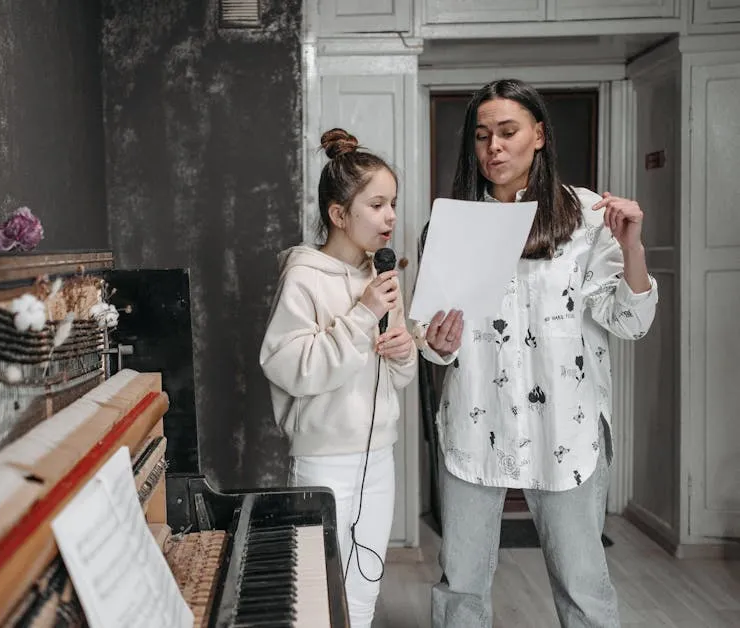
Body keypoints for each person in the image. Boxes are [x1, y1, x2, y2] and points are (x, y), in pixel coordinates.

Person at [415, 79, 658, 627]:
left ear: (540, 135)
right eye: (482, 136)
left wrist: (632, 245)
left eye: (507, 132)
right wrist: (438, 345)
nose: (493, 148)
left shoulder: (589, 216)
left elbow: (631, 320)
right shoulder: (449, 226)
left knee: (583, 585)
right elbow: (431, 343)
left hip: (565, 426)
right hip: (477, 420)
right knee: (461, 586)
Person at [259, 128, 418, 628]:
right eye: (377, 204)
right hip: (323, 462)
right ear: (339, 214)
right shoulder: (303, 277)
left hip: (379, 456)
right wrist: (363, 315)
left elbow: (398, 377)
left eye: (393, 203)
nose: (391, 216)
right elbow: (291, 367)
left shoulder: (381, 277)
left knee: (364, 591)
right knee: (319, 597)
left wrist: (403, 348)